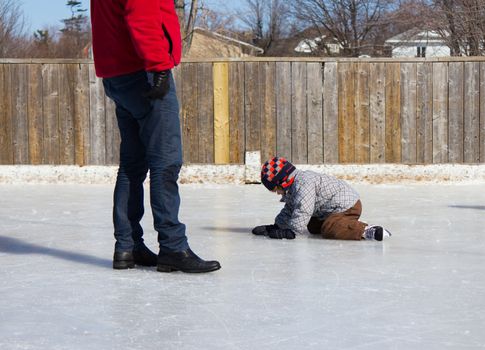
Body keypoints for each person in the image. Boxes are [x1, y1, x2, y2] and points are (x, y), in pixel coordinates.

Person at [91, 0, 220, 273]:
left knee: (132, 165)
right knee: (165, 162)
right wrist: (160, 66)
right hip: (145, 71)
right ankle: (173, 246)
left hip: (117, 74)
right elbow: (142, 14)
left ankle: (127, 246)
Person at [252, 157, 392, 241]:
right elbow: (290, 209)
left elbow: (303, 209)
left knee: (328, 228)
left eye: (276, 190)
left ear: (282, 181)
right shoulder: (294, 186)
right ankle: (345, 223)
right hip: (328, 209)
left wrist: (292, 232)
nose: (277, 194)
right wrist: (278, 226)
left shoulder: (303, 183)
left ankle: (366, 231)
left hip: (347, 206)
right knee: (312, 226)